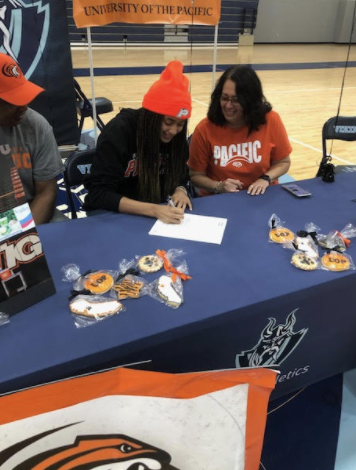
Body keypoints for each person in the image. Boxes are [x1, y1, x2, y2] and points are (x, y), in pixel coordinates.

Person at [84, 60, 192, 224]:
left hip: (156, 213)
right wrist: (153, 210)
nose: (173, 131)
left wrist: (180, 190)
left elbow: (182, 175)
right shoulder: (120, 131)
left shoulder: (176, 139)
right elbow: (99, 194)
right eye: (168, 122)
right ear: (153, 116)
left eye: (180, 124)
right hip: (112, 213)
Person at [188, 65, 292, 196]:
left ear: (250, 101)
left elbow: (283, 162)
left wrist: (265, 178)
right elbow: (195, 176)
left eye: (236, 100)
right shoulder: (204, 129)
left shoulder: (271, 120)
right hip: (220, 198)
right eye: (224, 98)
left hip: (262, 195)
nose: (228, 106)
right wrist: (218, 186)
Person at [0, 52, 65, 224]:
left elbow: (46, 192)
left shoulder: (36, 125)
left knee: (67, 233)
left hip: (27, 212)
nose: (24, 107)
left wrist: (25, 237)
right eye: (13, 101)